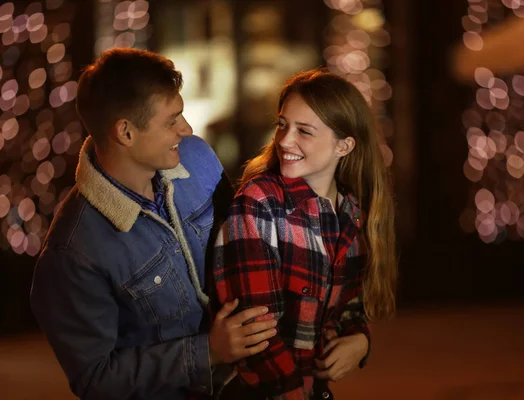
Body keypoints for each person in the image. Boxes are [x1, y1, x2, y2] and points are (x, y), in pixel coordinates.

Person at [29, 48, 278, 400]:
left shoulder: (197, 155)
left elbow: (247, 243)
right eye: (171, 120)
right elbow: (95, 379)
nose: (187, 128)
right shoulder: (72, 252)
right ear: (126, 133)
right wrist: (208, 351)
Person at [212, 69, 398, 400]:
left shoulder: (352, 213)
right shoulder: (259, 203)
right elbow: (257, 335)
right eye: (282, 124)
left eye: (305, 131)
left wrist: (360, 339)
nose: (284, 140)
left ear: (345, 145)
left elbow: (350, 306)